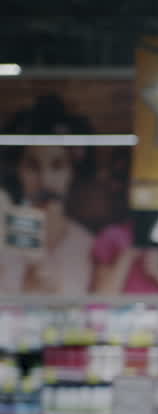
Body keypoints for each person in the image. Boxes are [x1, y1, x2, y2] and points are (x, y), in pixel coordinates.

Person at [0, 94, 96, 295]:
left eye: (57, 166)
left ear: (72, 172)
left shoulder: (86, 244)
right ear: (18, 171)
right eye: (32, 167)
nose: (45, 181)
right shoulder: (4, 237)